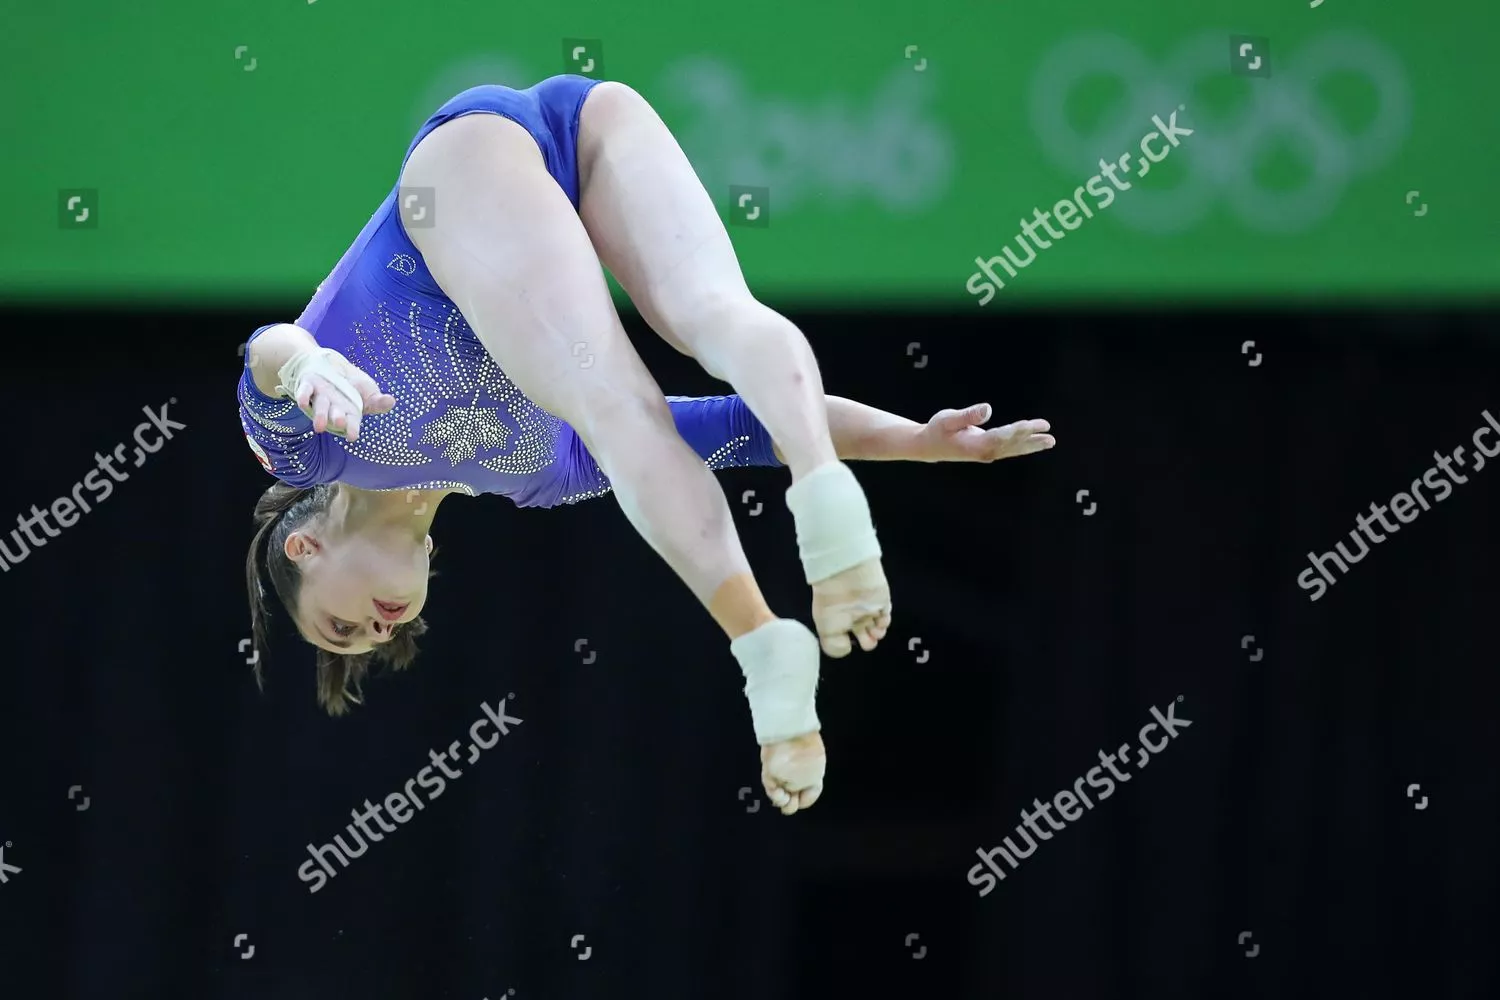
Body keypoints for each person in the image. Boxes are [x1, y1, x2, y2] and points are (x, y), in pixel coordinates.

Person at [239, 74, 1055, 816]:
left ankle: (763, 645)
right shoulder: (537, 476)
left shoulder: (310, 451)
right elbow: (735, 429)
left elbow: (264, 354)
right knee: (710, 317)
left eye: (340, 629)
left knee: (616, 402)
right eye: (378, 644)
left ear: (305, 546)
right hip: (586, 118)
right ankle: (825, 494)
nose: (376, 635)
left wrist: (309, 362)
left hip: (457, 174)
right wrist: (912, 442)